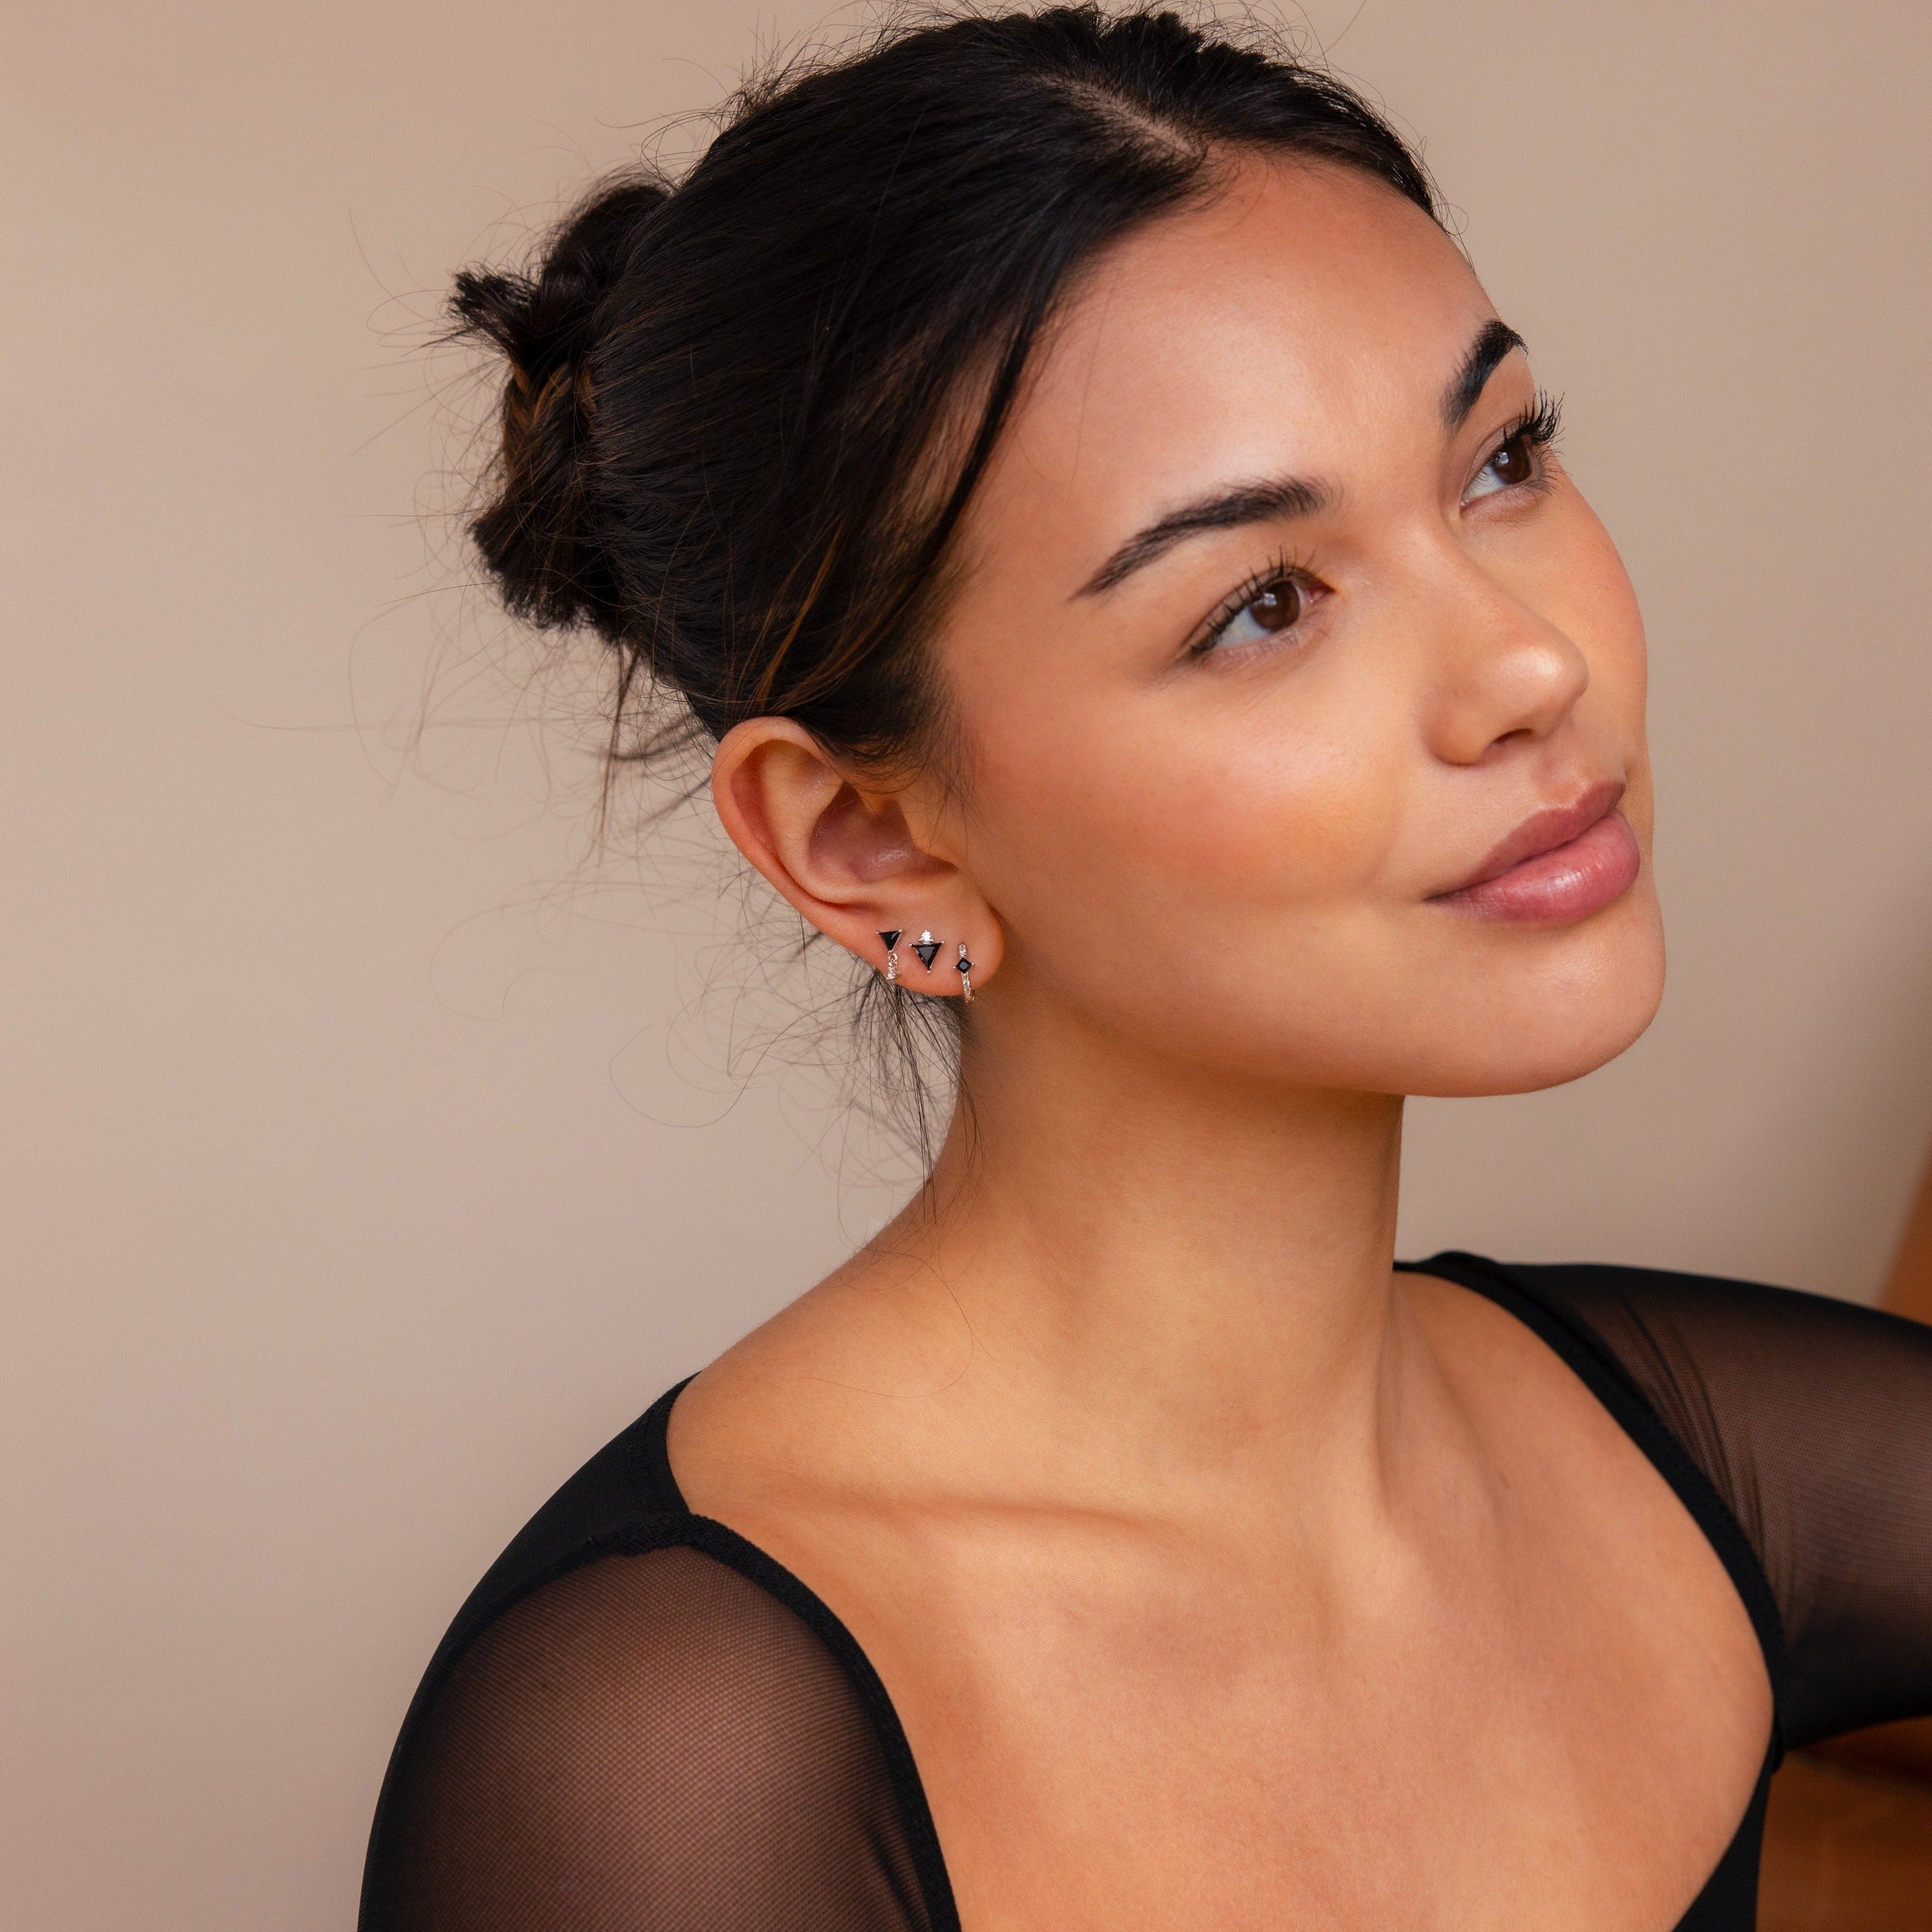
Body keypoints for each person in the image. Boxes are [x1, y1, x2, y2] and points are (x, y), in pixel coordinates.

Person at [359, 9, 1932, 1928]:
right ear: (871, 840)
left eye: (1500, 458)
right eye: (1261, 603)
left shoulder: (1699, 1453)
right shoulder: (682, 1747)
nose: (1529, 667)